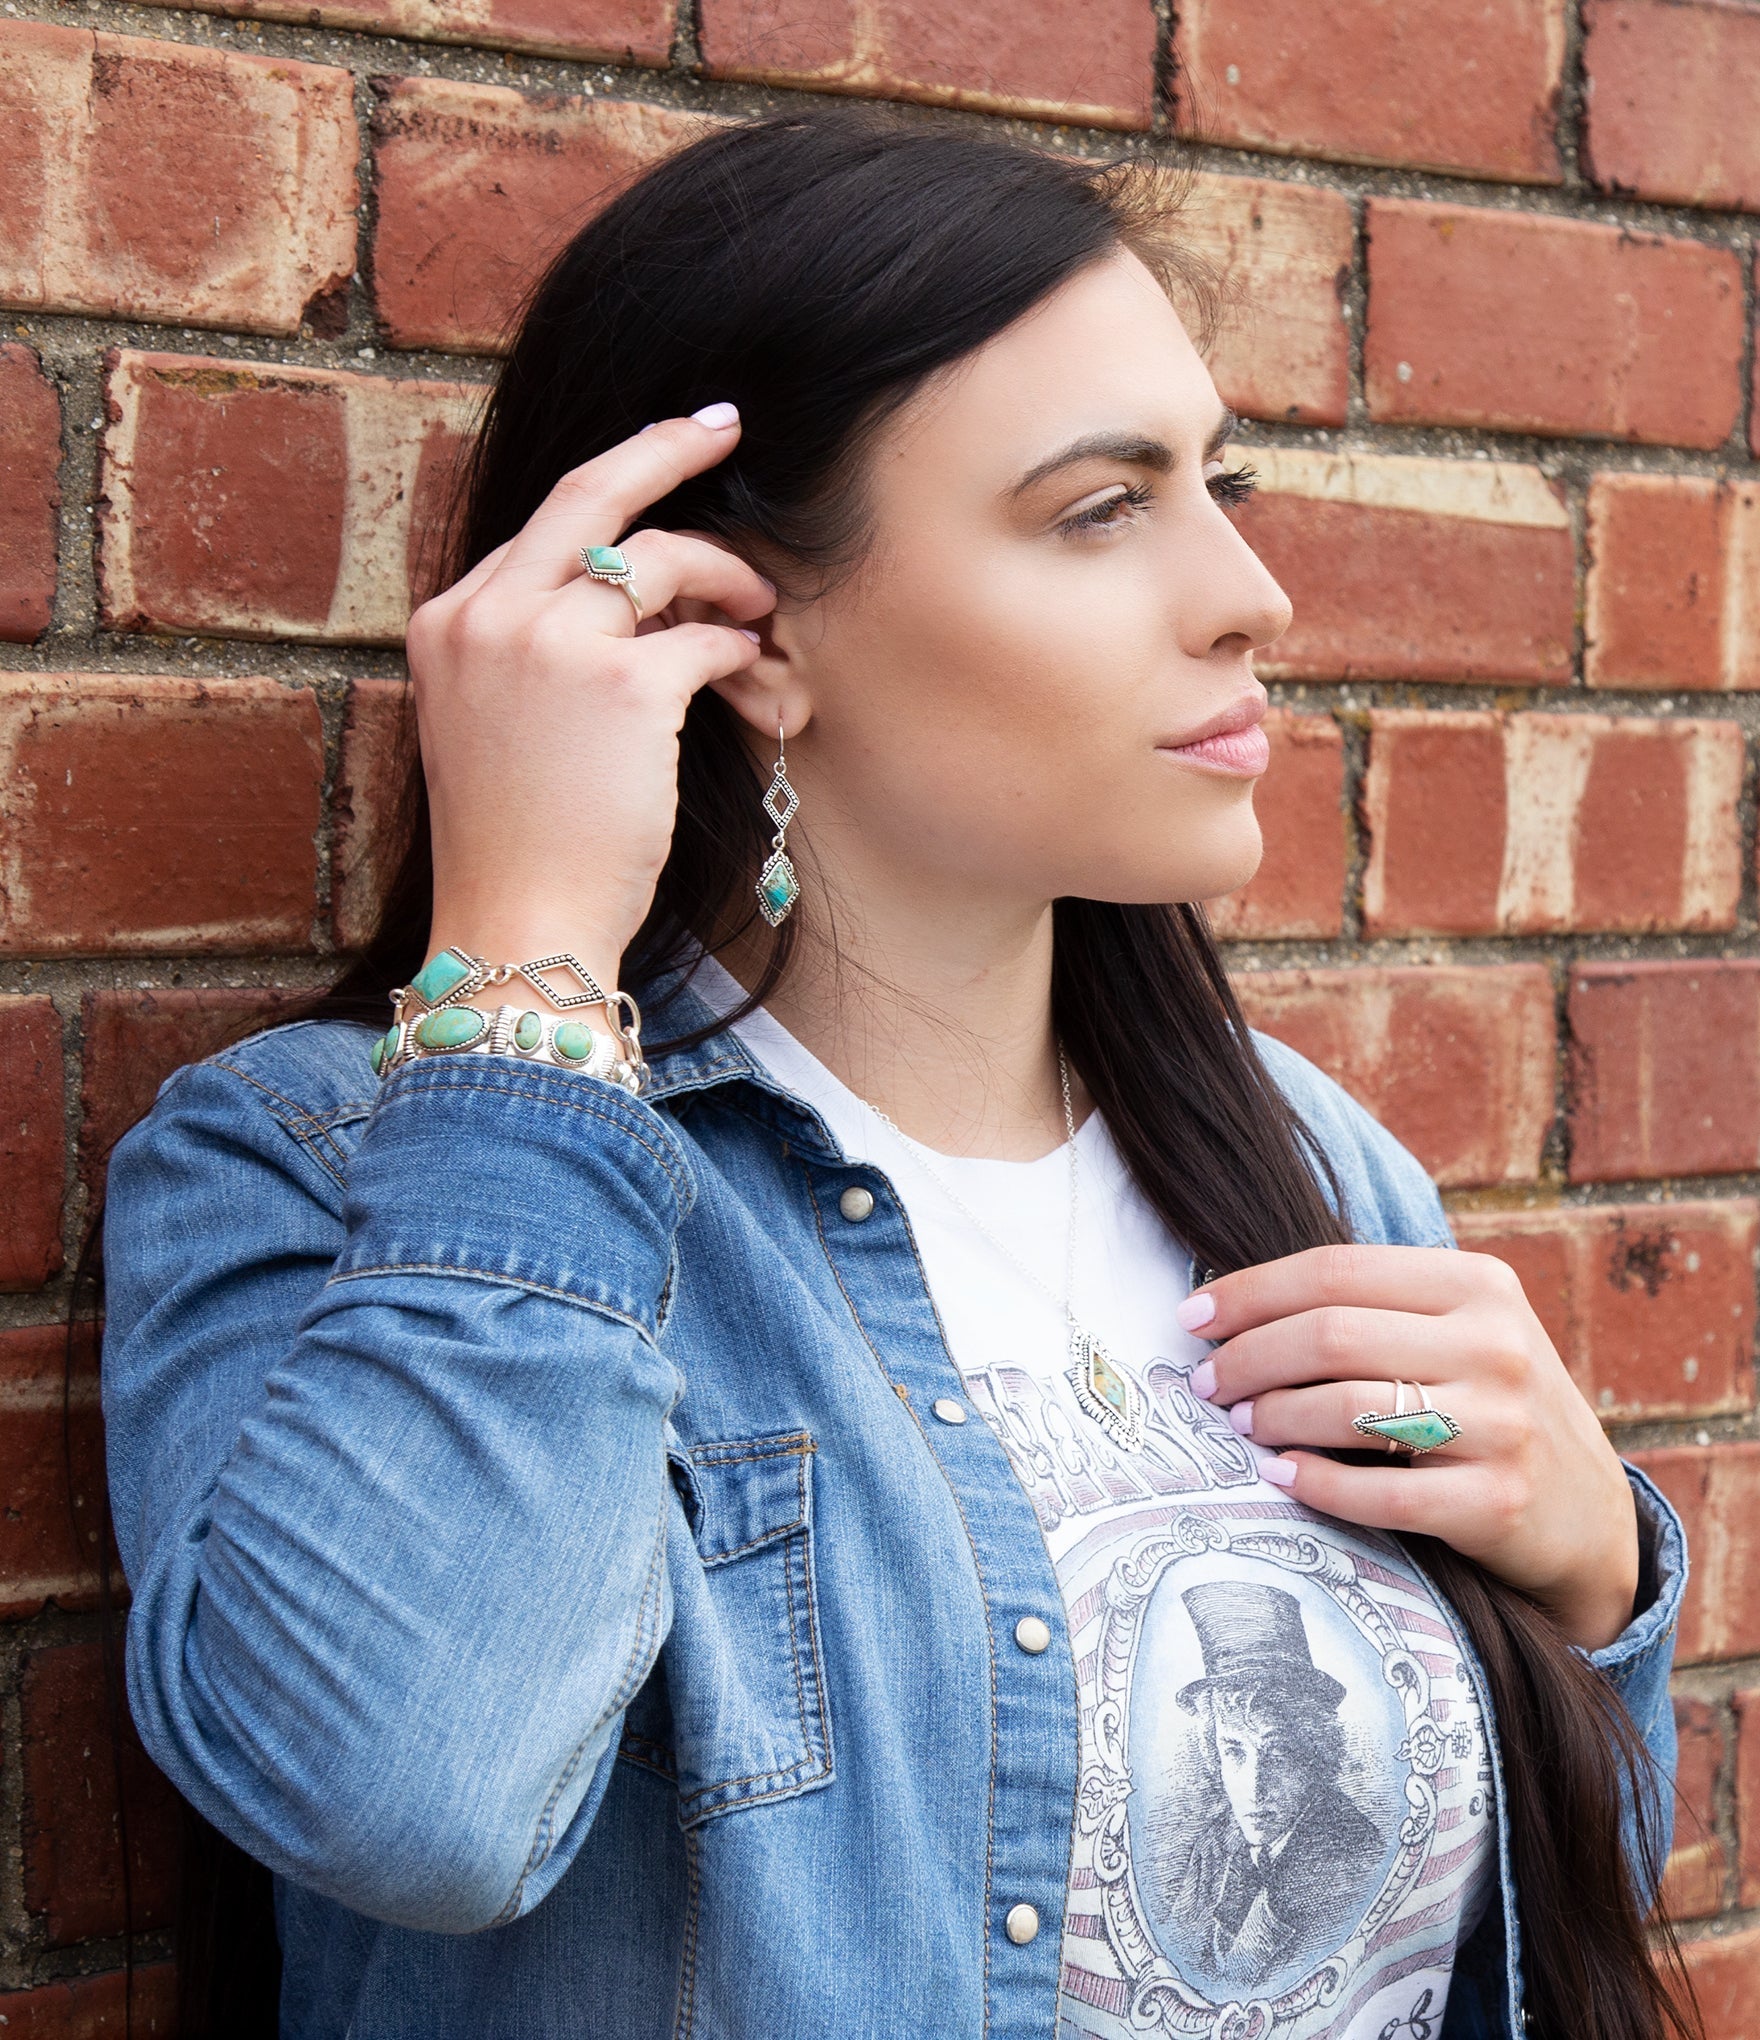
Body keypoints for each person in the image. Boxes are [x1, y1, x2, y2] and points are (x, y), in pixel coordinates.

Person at [98, 109, 1697, 2040]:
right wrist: (525, 944)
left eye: (1223, 483)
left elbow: (1519, 1929)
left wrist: (1598, 1583)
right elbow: (414, 1802)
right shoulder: (328, 1168)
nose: (1250, 594)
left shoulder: (1314, 1166)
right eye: (1101, 508)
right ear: (736, 632)